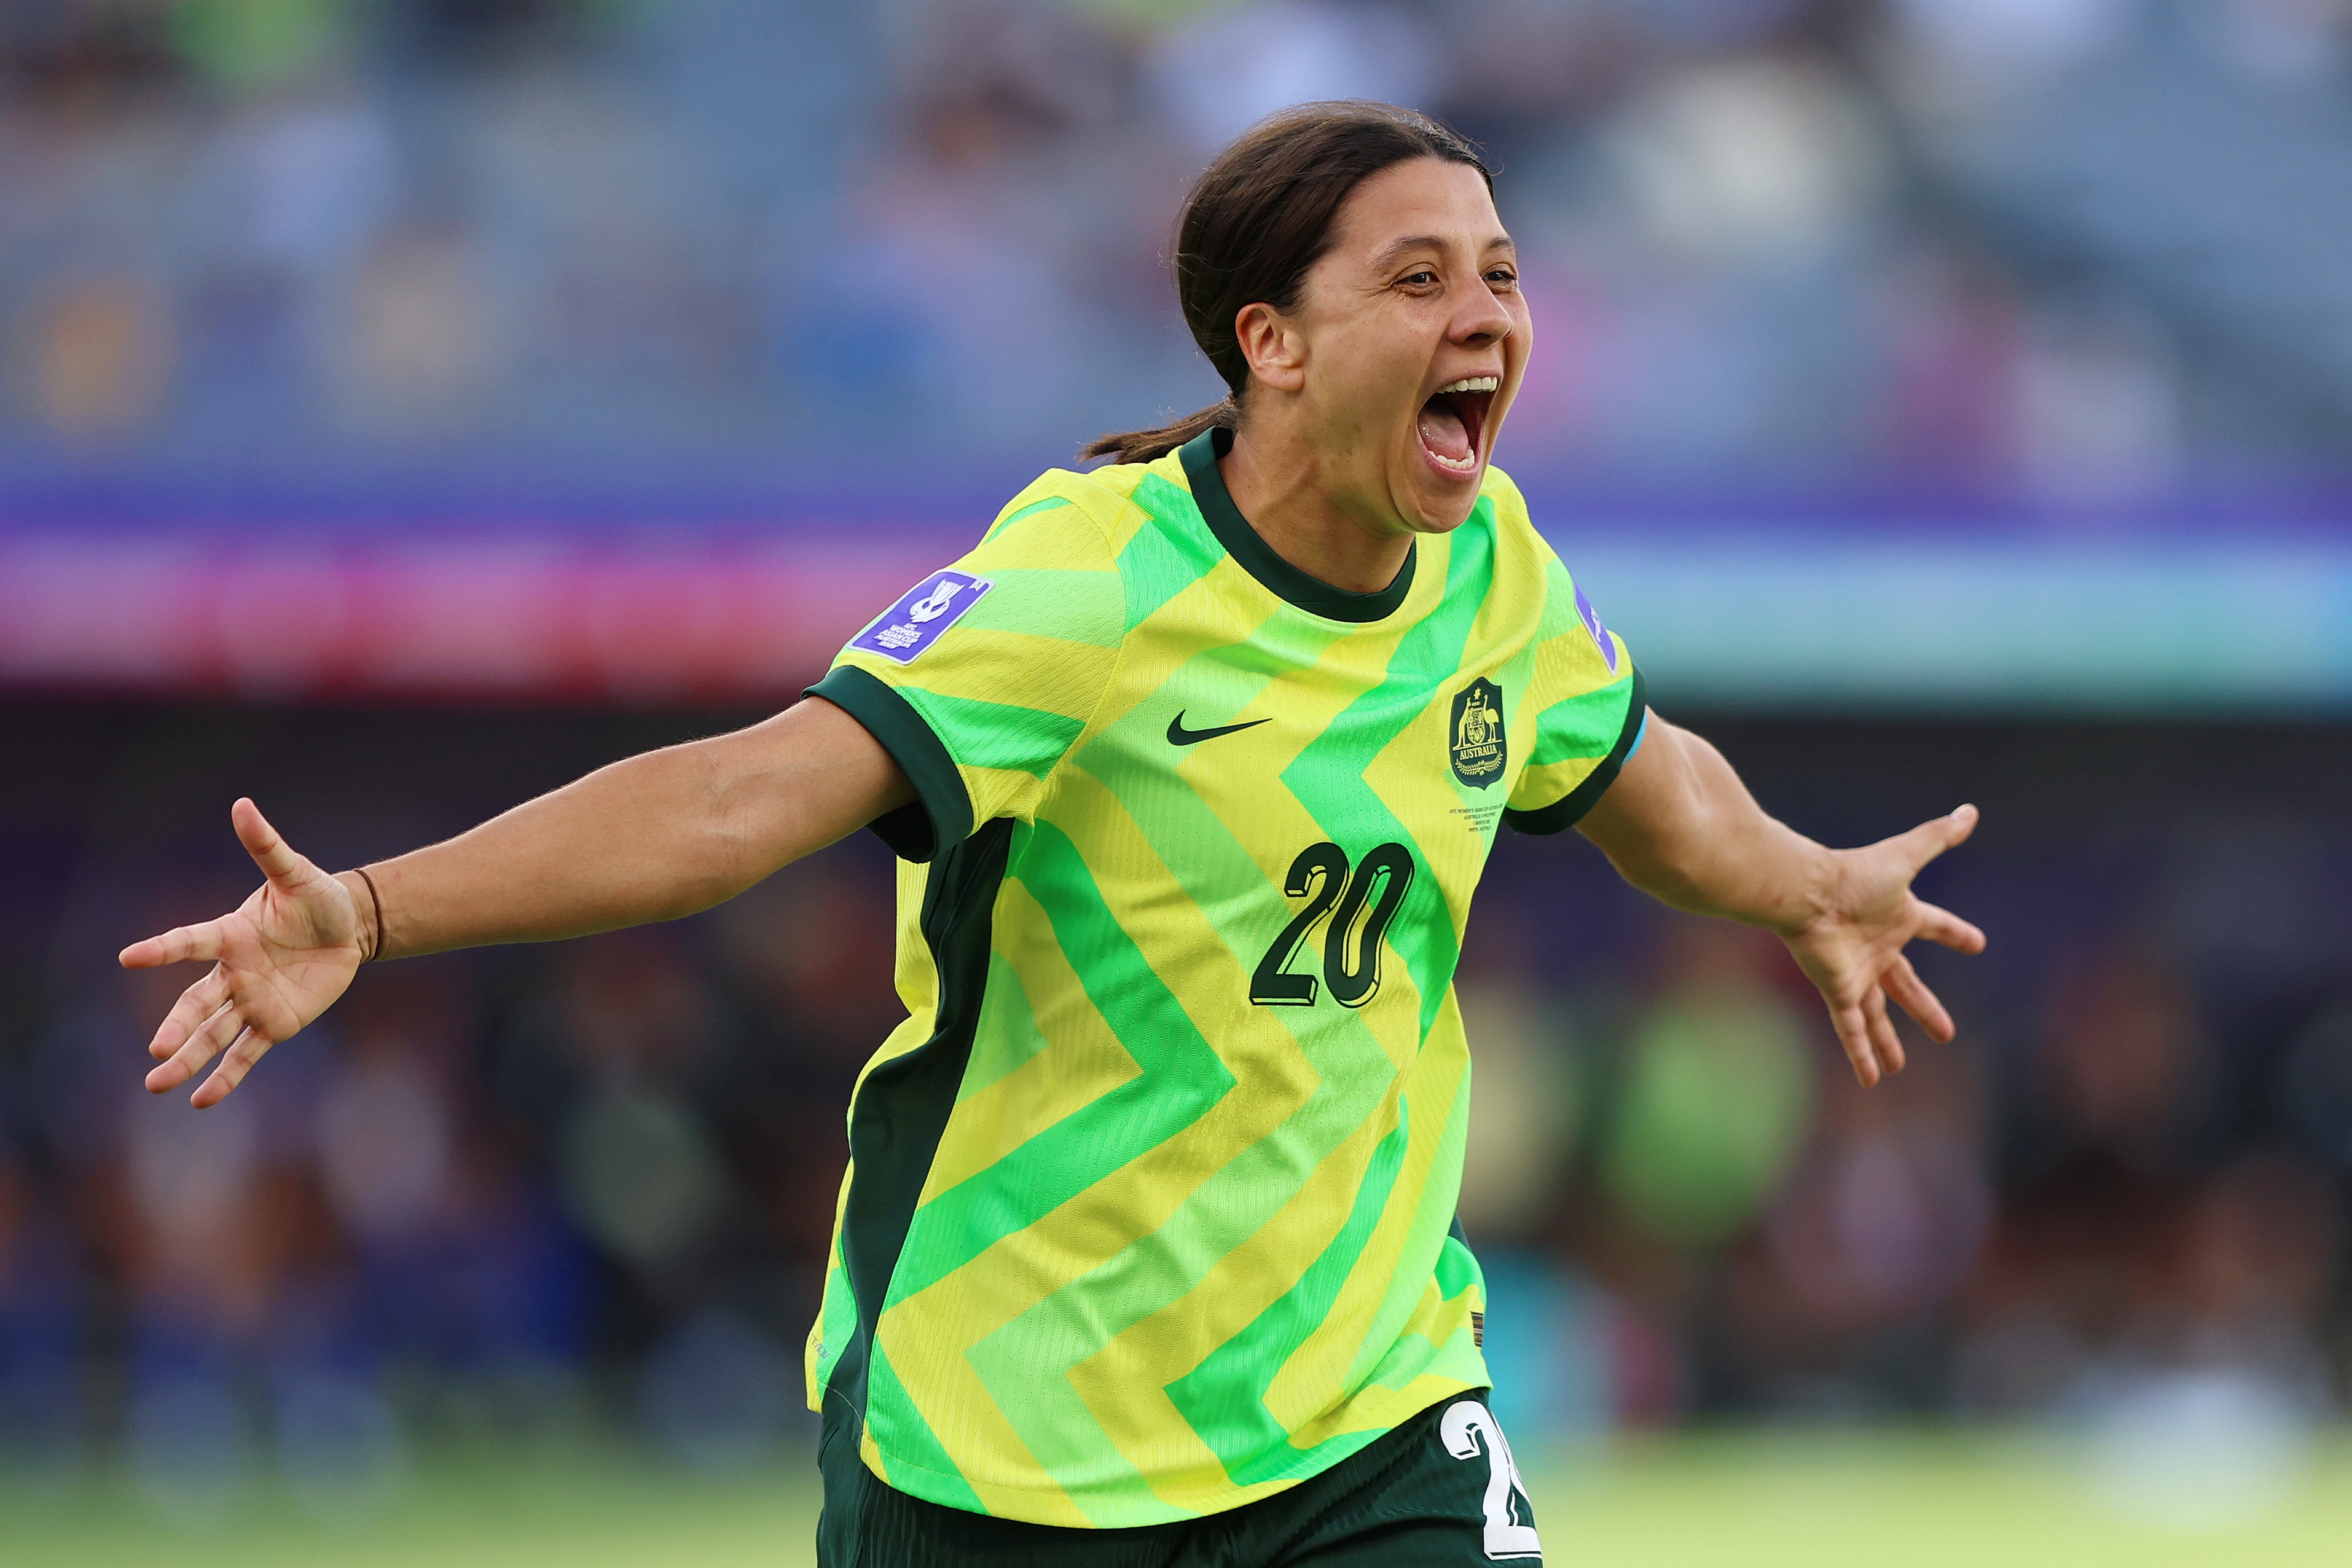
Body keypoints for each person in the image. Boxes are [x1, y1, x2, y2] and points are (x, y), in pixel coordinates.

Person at [122, 102, 1985, 1567]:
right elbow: (740, 800)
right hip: (1007, 1435)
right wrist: (369, 912)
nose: (1485, 316)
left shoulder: (1490, 571)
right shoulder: (1087, 588)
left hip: (1363, 1407)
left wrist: (1805, 884)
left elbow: (1638, 776)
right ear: (1270, 340)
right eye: (1417, 279)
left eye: (1499, 275)